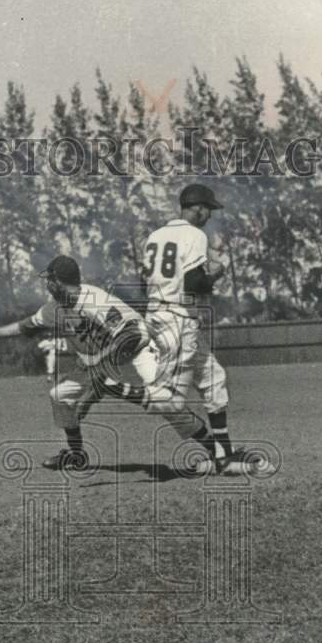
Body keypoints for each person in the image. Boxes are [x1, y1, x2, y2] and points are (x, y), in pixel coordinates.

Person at [0, 255, 219, 471]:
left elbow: (133, 335)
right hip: (98, 363)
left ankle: (217, 453)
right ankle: (77, 455)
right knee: (60, 395)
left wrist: (100, 363)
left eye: (49, 280)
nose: (47, 285)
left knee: (168, 407)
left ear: (58, 282)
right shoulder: (55, 309)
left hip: (138, 356)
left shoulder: (94, 300)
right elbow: (25, 327)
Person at [101, 184, 250, 473]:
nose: (209, 214)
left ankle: (224, 457)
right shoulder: (194, 234)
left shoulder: (155, 236)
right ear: (198, 207)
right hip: (178, 320)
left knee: (214, 380)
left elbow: (146, 283)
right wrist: (216, 274)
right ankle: (115, 387)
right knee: (170, 400)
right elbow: (194, 285)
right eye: (208, 209)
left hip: (161, 314)